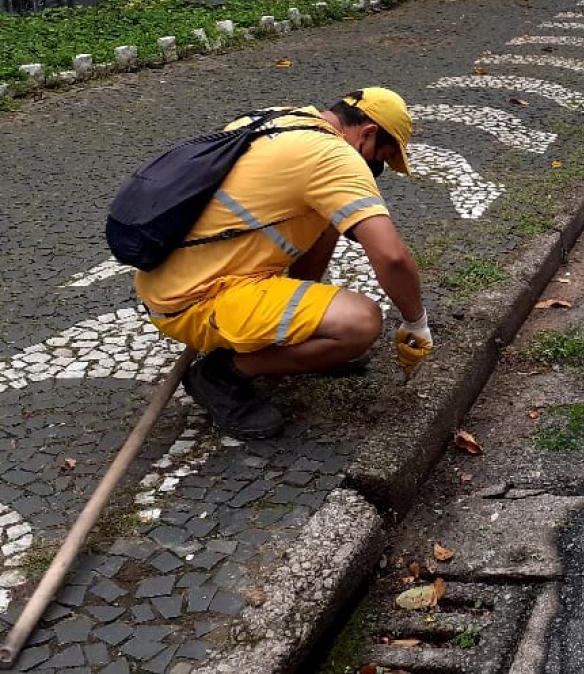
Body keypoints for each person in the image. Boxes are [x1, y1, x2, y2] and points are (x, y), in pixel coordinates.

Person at [133, 88, 429, 440]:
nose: (373, 170)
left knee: (333, 217)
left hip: (174, 275)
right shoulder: (334, 157)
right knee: (359, 323)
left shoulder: (281, 118)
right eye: (378, 161)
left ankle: (293, 340)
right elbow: (391, 256)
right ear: (367, 133)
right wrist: (416, 323)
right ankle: (221, 374)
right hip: (198, 298)